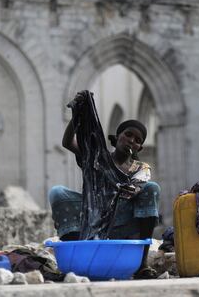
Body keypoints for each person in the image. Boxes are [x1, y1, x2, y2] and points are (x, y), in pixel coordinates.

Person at [48, 92, 160, 279]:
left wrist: (130, 189)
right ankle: (79, 257)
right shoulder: (97, 157)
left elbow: (140, 185)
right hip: (92, 215)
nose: (131, 140)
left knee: (153, 188)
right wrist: (78, 116)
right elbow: (67, 142)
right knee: (57, 193)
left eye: (137, 140)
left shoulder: (141, 168)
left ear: (139, 148)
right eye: (128, 135)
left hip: (123, 221)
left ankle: (142, 263)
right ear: (118, 137)